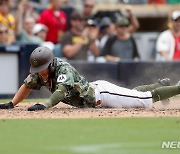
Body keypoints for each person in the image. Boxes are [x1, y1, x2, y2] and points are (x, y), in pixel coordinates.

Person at [0, 46, 180, 111]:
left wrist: (45, 104)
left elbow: (61, 92)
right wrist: (12, 103)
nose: (39, 72)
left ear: (51, 63)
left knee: (145, 99)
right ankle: (160, 84)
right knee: (131, 95)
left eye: (42, 68)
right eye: (37, 69)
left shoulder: (63, 68)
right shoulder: (41, 72)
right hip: (97, 96)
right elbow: (27, 84)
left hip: (103, 94)